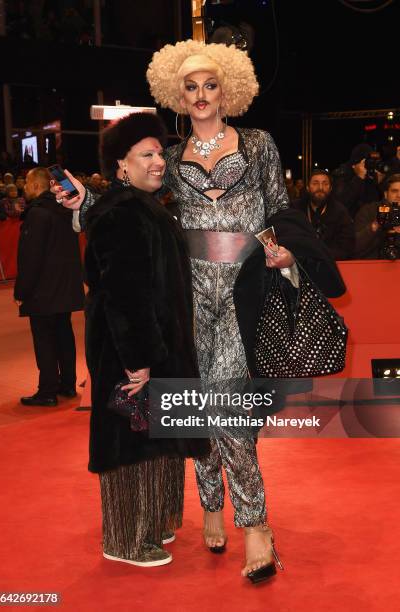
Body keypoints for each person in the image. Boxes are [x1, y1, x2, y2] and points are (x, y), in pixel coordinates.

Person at [57, 41, 345, 583]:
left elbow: (280, 208)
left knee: (231, 411)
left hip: (244, 292)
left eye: (210, 85)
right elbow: (133, 210)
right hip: (187, 299)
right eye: (190, 87)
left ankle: (256, 524)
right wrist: (83, 208)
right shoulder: (168, 152)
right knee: (196, 405)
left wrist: (284, 253)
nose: (201, 95)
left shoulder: (258, 144)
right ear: (177, 94)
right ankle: (210, 502)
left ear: (228, 89)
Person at [81, 112, 208, 567]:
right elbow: (124, 293)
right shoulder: (121, 214)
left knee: (162, 439)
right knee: (131, 447)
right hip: (130, 352)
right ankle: (125, 539)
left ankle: (153, 523)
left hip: (159, 346)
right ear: (121, 165)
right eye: (146, 154)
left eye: (159, 153)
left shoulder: (148, 207)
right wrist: (137, 359)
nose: (158, 161)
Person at [14, 167, 84, 406]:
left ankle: (47, 391)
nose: (24, 187)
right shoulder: (64, 211)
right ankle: (67, 384)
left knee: (44, 339)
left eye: (26, 183)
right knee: (64, 335)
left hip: (43, 290)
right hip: (64, 288)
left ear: (35, 186)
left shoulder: (38, 214)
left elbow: (30, 258)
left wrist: (21, 291)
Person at [291, 169, 354, 260]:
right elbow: (290, 239)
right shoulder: (295, 209)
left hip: (331, 263)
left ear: (330, 188)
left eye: (325, 184)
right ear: (308, 187)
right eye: (315, 183)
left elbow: (347, 246)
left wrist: (322, 255)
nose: (320, 187)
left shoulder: (340, 212)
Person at [354, 173, 400, 259]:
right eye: (394, 191)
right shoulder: (369, 210)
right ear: (386, 194)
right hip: (371, 265)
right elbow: (354, 246)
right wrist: (374, 226)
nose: (399, 196)